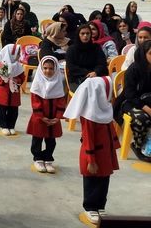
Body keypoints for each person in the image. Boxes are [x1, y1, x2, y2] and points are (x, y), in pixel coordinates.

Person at [63, 76, 120, 226]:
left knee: (104, 179)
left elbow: (110, 130)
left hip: (106, 152)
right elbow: (88, 139)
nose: (110, 95)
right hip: (94, 154)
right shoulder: (89, 114)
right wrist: (91, 160)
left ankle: (101, 205)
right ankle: (90, 206)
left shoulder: (105, 109)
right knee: (92, 180)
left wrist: (114, 146)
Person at [27, 56, 66, 173]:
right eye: (45, 68)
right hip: (39, 119)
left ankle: (48, 158)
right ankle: (38, 158)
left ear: (55, 69)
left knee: (51, 141)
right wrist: (41, 117)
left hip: (53, 119)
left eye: (51, 68)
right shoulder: (37, 83)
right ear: (41, 69)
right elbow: (35, 102)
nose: (48, 71)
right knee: (37, 140)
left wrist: (57, 117)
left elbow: (61, 101)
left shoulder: (58, 83)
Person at [121, 41, 151, 162]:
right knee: (142, 118)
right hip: (131, 102)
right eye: (150, 53)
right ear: (143, 54)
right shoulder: (134, 69)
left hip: (149, 100)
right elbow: (130, 94)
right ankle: (138, 145)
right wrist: (147, 108)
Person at [0, 44, 24, 136]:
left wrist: (17, 80)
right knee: (2, 109)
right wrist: (2, 80)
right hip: (3, 90)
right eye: (18, 54)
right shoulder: (1, 64)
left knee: (14, 110)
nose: (19, 56)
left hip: (14, 91)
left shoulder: (18, 66)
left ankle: (11, 126)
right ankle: (4, 126)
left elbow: (22, 77)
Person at [65, 25, 109, 91]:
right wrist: (87, 73)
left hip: (95, 76)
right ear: (78, 35)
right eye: (82, 33)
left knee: (102, 87)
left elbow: (102, 63)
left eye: (87, 33)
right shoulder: (72, 49)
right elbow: (71, 67)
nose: (85, 36)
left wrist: (96, 72)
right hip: (77, 78)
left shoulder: (96, 47)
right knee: (88, 90)